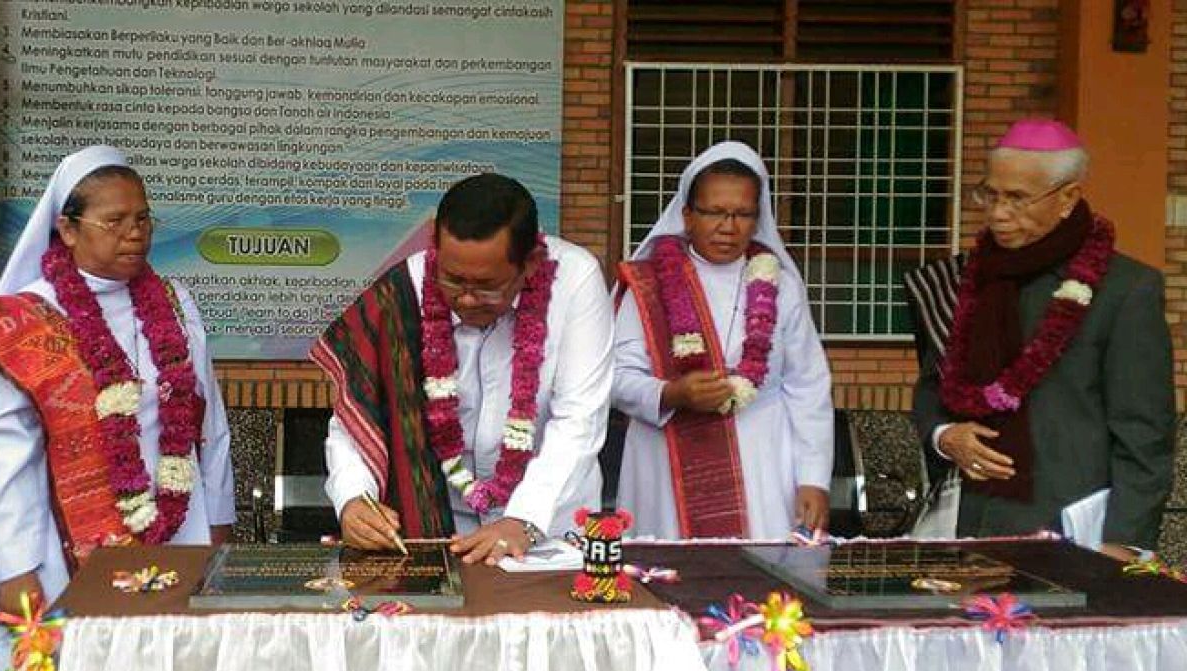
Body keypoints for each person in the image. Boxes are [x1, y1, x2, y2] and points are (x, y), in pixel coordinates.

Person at [0, 145, 235, 671]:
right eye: (115, 220)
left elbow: (208, 424)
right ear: (68, 230)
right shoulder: (28, 319)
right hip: (63, 543)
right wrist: (16, 567)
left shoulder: (175, 302)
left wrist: (218, 522)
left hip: (179, 526)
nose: (135, 233)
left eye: (143, 218)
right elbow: (5, 457)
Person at [312, 173, 613, 564]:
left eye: (488, 286)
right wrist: (354, 496)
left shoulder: (575, 280)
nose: (467, 299)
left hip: (546, 525)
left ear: (531, 264)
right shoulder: (405, 288)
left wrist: (523, 519)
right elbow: (358, 411)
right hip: (430, 525)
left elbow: (578, 420)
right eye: (452, 281)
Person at [913, 119, 1175, 556]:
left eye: (1017, 198)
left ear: (1068, 197)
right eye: (991, 194)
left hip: (1071, 524)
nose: (997, 213)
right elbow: (931, 390)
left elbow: (1144, 431)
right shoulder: (963, 280)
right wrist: (944, 435)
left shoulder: (1125, 290)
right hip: (967, 518)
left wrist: (1124, 541)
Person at [612, 141, 833, 539]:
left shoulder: (780, 285)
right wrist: (672, 394)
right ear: (687, 215)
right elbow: (616, 377)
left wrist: (813, 477)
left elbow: (807, 385)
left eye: (743, 214)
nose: (728, 227)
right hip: (669, 459)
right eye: (714, 212)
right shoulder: (647, 284)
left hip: (761, 456)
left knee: (763, 584)